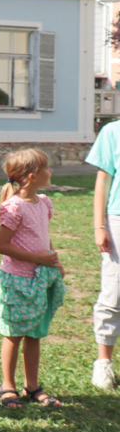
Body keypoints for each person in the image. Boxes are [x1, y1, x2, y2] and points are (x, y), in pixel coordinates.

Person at [0, 149, 65, 409]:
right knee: (14, 334)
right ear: (33, 176)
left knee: (34, 333)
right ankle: (8, 386)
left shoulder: (43, 202)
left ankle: (31, 385)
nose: (51, 171)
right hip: (17, 281)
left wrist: (54, 261)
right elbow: (2, 245)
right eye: (47, 168)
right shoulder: (14, 207)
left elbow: (44, 236)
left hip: (40, 278)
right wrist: (38, 258)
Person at [86, 120, 120, 390]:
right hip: (118, 220)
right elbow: (103, 181)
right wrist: (100, 226)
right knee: (114, 291)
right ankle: (104, 362)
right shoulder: (113, 132)